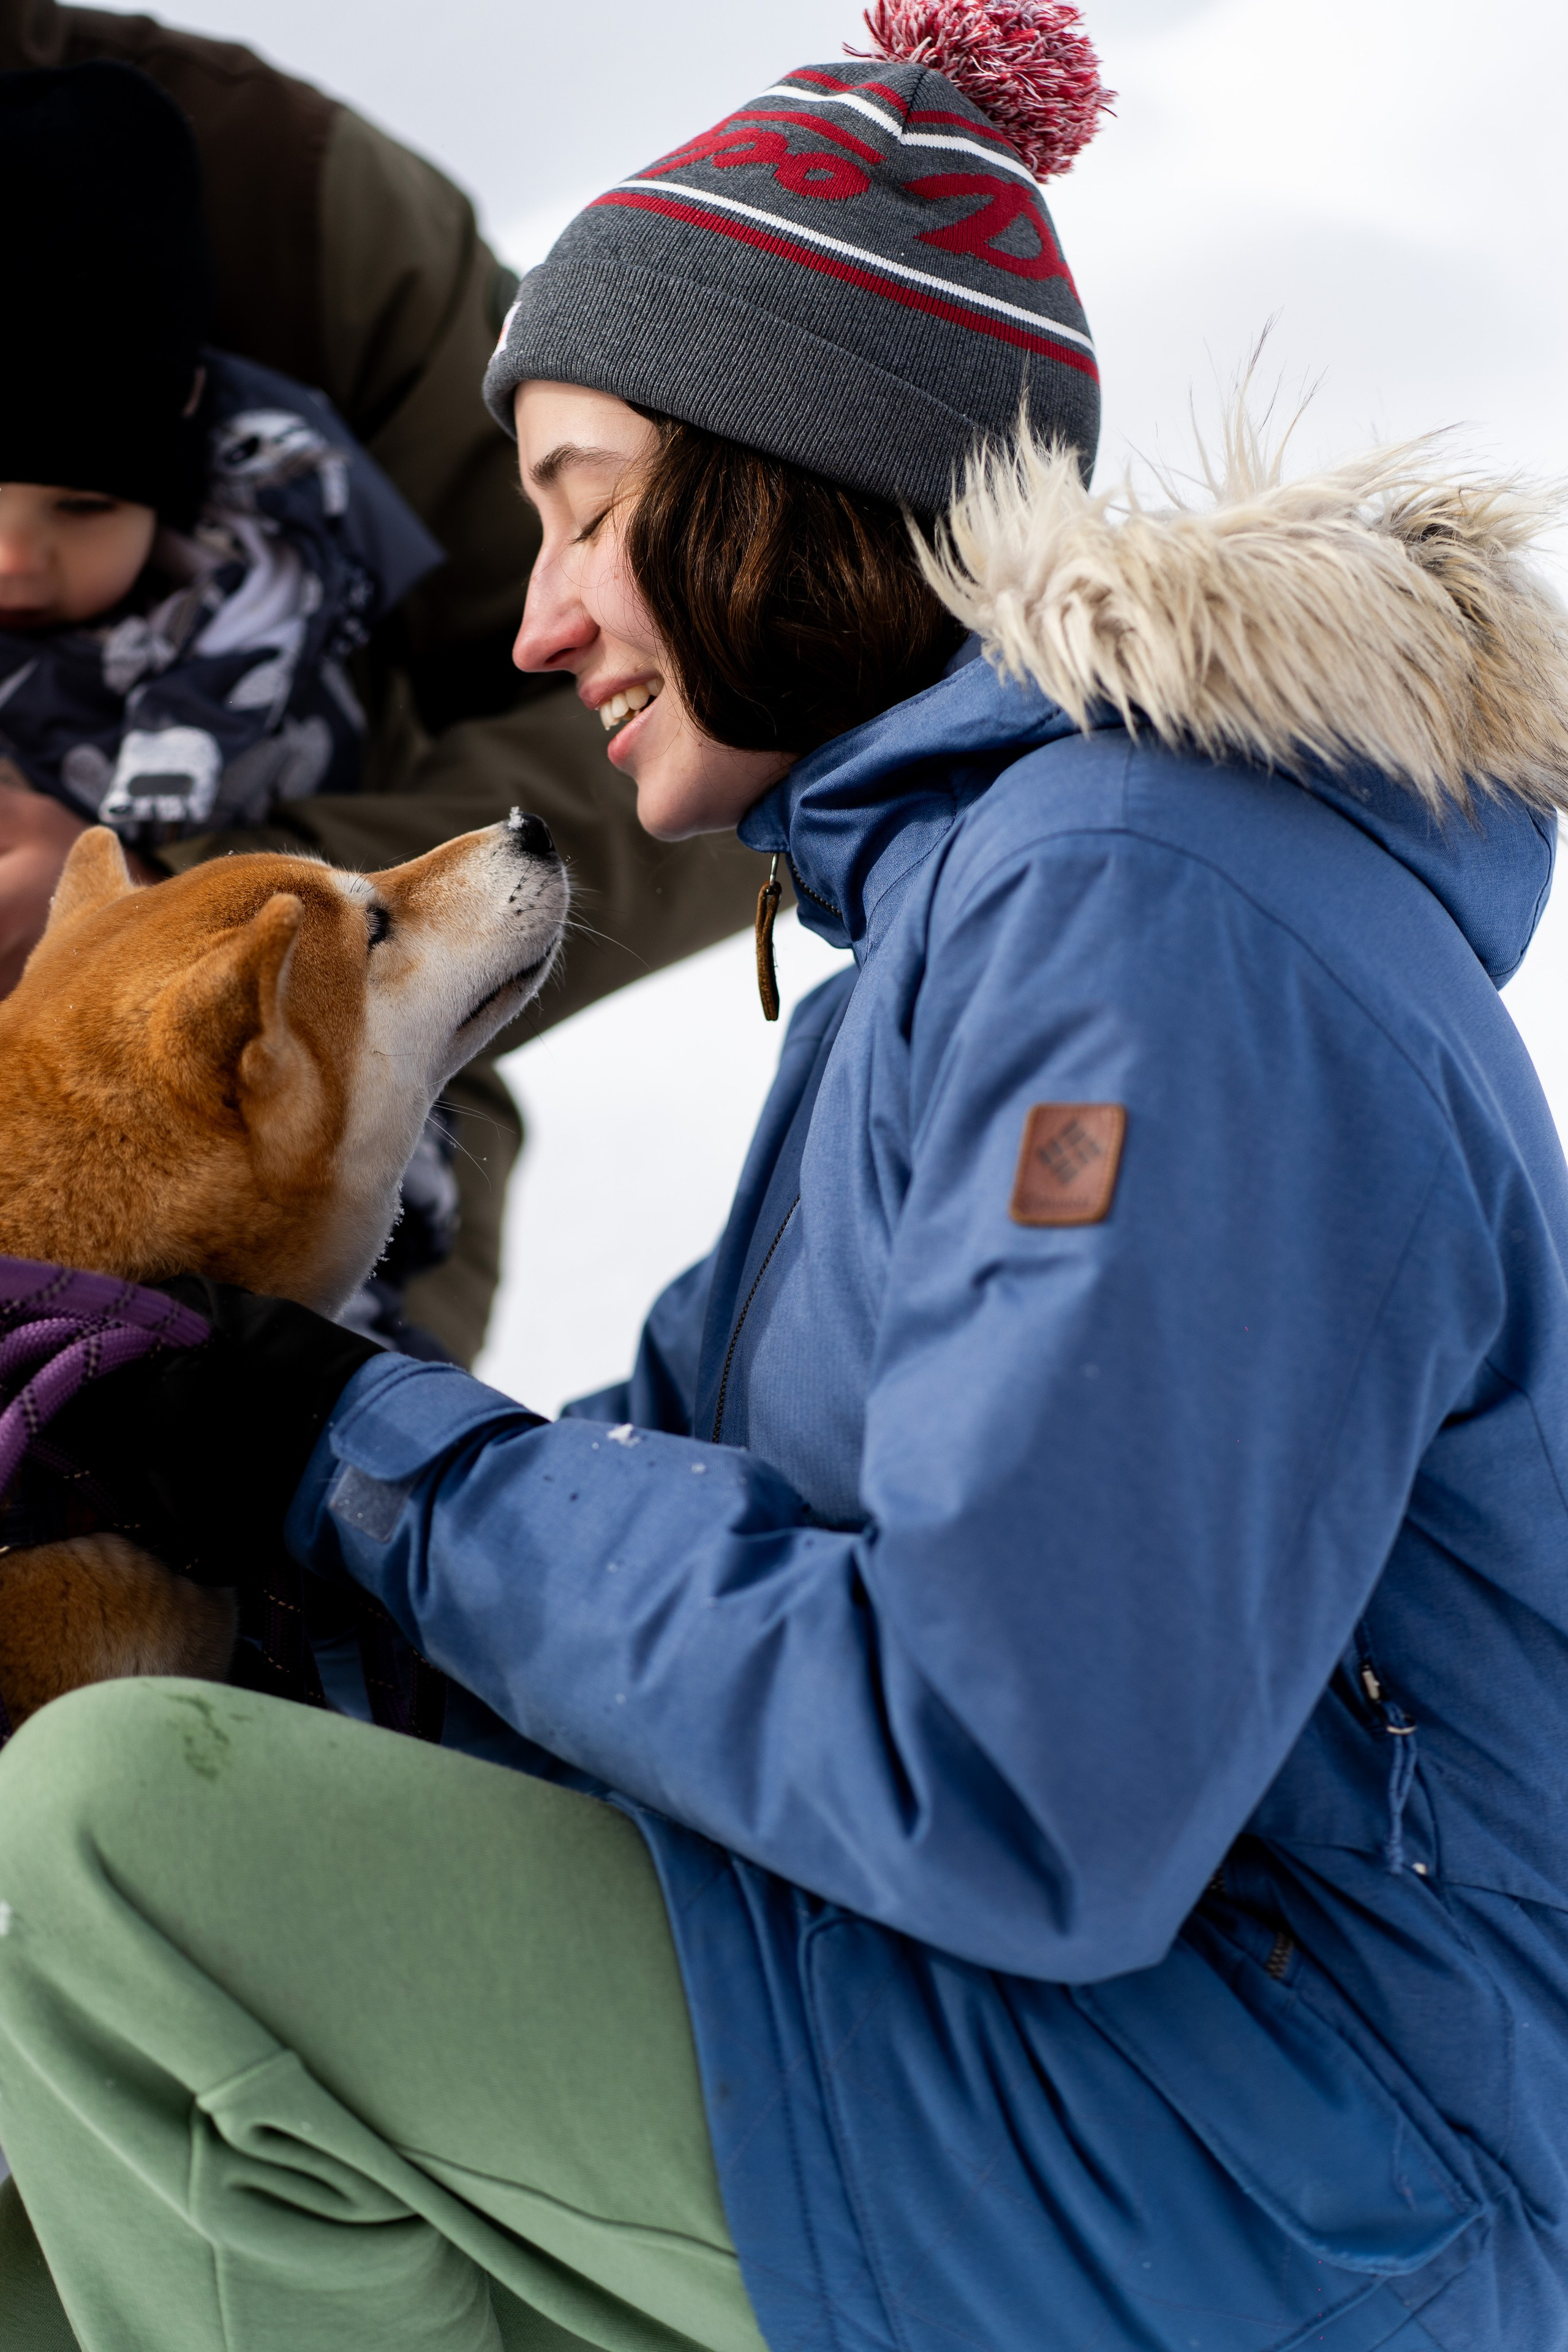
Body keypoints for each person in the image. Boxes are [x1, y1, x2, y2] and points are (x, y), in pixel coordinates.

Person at [4, 5, 1568, 2349]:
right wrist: (238, 1521)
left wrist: (342, 1448)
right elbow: (728, 1567)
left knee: (122, 1857)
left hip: (1290, 2153)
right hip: (1072, 2069)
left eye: (585, 507)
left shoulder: (1159, 923)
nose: (536, 626)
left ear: (790, 481)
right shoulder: (956, 943)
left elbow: (1020, 1778)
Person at [0, 0, 764, 1365]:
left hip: (257, 1309)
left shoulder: (288, 203)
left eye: (83, 500)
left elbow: (742, 685)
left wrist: (164, 922)